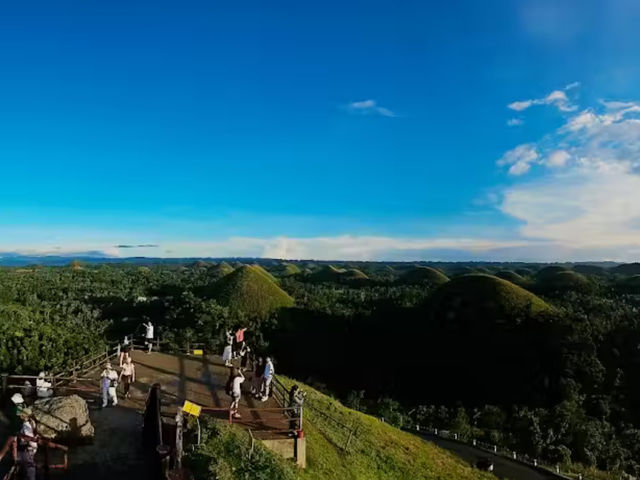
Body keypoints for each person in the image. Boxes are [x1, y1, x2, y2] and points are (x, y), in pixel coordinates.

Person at [17, 408, 37, 480]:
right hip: (31, 448)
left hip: (27, 449)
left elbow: (28, 437)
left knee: (27, 471)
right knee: (29, 470)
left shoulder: (25, 425)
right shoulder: (32, 422)